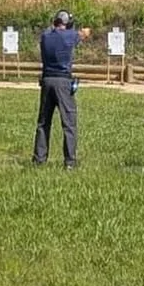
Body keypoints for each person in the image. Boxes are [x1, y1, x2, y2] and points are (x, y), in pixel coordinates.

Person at [33, 10, 91, 169]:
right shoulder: (70, 36)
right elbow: (84, 34)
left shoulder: (45, 36)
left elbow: (50, 30)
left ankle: (39, 160)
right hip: (63, 82)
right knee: (69, 123)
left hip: (46, 80)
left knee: (43, 122)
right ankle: (70, 162)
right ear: (68, 24)